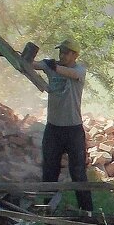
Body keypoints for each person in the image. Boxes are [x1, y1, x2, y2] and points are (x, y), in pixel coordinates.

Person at [31, 38, 93, 215]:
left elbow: (68, 73)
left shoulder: (79, 70)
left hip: (73, 130)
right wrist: (2, 53)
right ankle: (47, 210)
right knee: (49, 172)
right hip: (53, 129)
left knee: (78, 173)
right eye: (61, 51)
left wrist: (52, 67)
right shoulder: (51, 66)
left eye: (66, 52)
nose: (62, 55)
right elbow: (31, 64)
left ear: (75, 55)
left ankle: (87, 212)